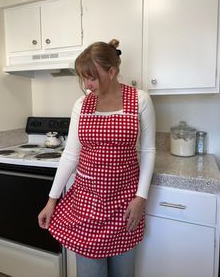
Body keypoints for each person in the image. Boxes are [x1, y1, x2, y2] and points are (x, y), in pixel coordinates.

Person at [38, 39, 156, 277]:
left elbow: (148, 150)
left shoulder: (140, 99)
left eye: (91, 77)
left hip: (125, 202)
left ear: (111, 72)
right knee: (91, 272)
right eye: (83, 78)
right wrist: (51, 200)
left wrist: (140, 198)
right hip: (87, 202)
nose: (86, 84)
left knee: (123, 272)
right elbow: (71, 154)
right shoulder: (81, 105)